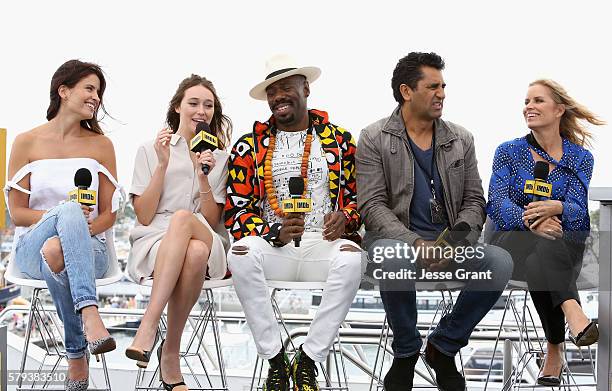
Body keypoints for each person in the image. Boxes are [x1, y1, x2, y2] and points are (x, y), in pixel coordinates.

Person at [356, 52, 513, 391]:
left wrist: (455, 242)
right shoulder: (373, 137)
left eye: (443, 85)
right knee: (392, 257)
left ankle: (443, 346)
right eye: (432, 86)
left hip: (452, 248)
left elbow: (475, 201)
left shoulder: (461, 138)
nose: (442, 93)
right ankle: (407, 352)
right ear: (406, 91)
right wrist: (416, 243)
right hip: (399, 247)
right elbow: (371, 206)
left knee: (499, 262)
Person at [225, 54, 363, 391]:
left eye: (286, 87)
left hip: (323, 245)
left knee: (353, 259)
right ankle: (275, 359)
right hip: (275, 247)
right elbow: (236, 211)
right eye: (272, 92)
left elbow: (362, 200)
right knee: (239, 254)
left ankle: (308, 360)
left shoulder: (341, 141)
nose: (278, 97)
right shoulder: (248, 145)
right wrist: (271, 232)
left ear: (306, 88)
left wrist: (345, 218)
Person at [5, 59, 121, 391]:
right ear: (64, 91)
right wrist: (63, 216)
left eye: (98, 92)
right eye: (89, 88)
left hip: (91, 249)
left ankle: (76, 354)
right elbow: (17, 212)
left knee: (58, 247)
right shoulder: (26, 142)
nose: (96, 97)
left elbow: (109, 214)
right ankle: (90, 315)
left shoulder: (102, 146)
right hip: (31, 250)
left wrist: (73, 235)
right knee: (67, 214)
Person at [486, 79, 603, 386]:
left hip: (558, 245)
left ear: (559, 110)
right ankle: (574, 316)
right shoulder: (508, 152)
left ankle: (554, 348)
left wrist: (557, 208)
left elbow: (579, 215)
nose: (529, 107)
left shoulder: (580, 159)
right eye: (526, 101)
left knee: (545, 255)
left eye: (538, 100)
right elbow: (497, 205)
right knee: (541, 246)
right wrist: (533, 220)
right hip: (512, 242)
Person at [125, 75, 231, 391]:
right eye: (194, 103)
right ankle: (170, 353)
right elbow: (144, 215)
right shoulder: (150, 149)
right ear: (177, 107)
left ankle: (148, 325)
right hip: (157, 239)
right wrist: (162, 165)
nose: (201, 111)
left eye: (208, 105)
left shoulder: (221, 158)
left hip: (205, 233)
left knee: (187, 222)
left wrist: (203, 176)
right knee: (193, 251)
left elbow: (212, 221)